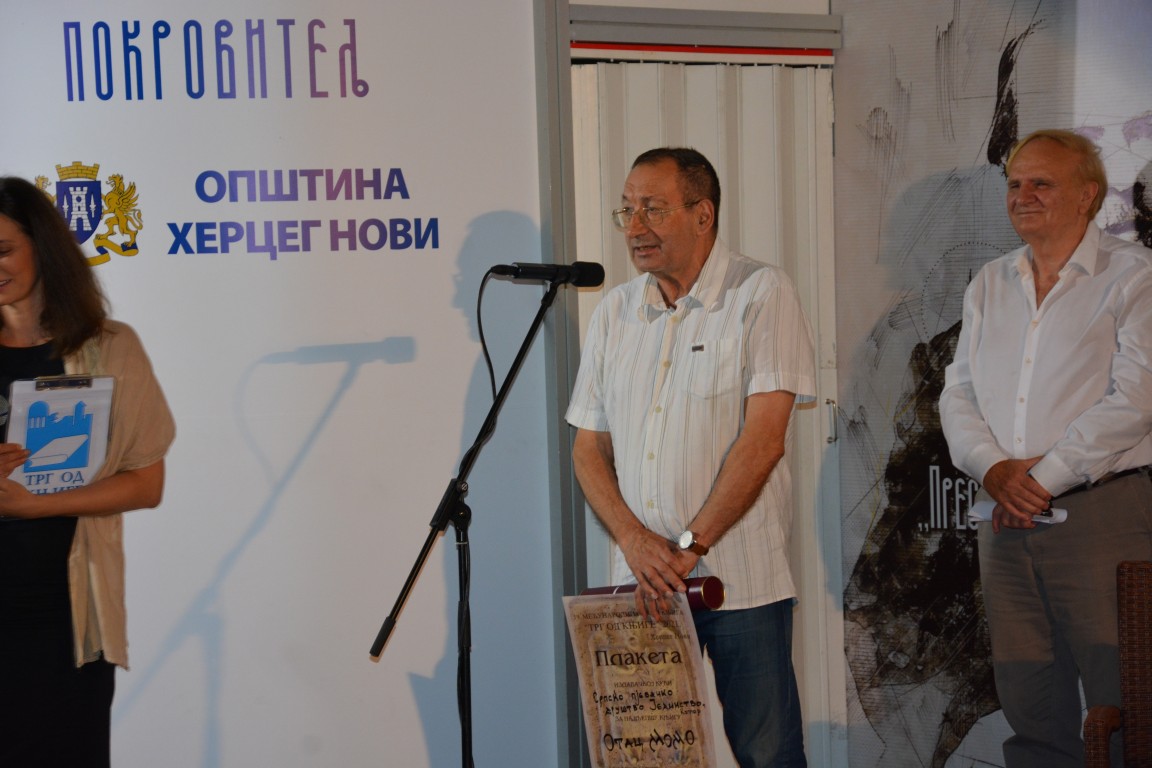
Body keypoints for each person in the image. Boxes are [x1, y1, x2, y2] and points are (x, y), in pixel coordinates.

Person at [566, 147, 816, 767]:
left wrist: (688, 547)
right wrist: (635, 541)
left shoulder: (760, 292)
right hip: (642, 585)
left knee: (768, 755)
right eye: (627, 210)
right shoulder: (615, 312)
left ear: (703, 215)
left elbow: (764, 441)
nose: (635, 226)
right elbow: (588, 446)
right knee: (648, 759)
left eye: (653, 209)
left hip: (740, 583)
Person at [940, 129, 1152, 767]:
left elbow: (1137, 398)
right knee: (1029, 707)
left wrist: (1041, 479)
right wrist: (993, 470)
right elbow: (958, 393)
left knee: (1129, 711)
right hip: (1004, 520)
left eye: (1041, 183)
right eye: (1014, 183)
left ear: (1087, 195)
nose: (1022, 195)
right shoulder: (990, 282)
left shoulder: (1135, 275)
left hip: (1102, 514)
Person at [0, 176, 176, 767]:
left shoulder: (109, 348)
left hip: (66, 623)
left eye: (3, 250)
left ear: (42, 247)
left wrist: (33, 505)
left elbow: (146, 483)